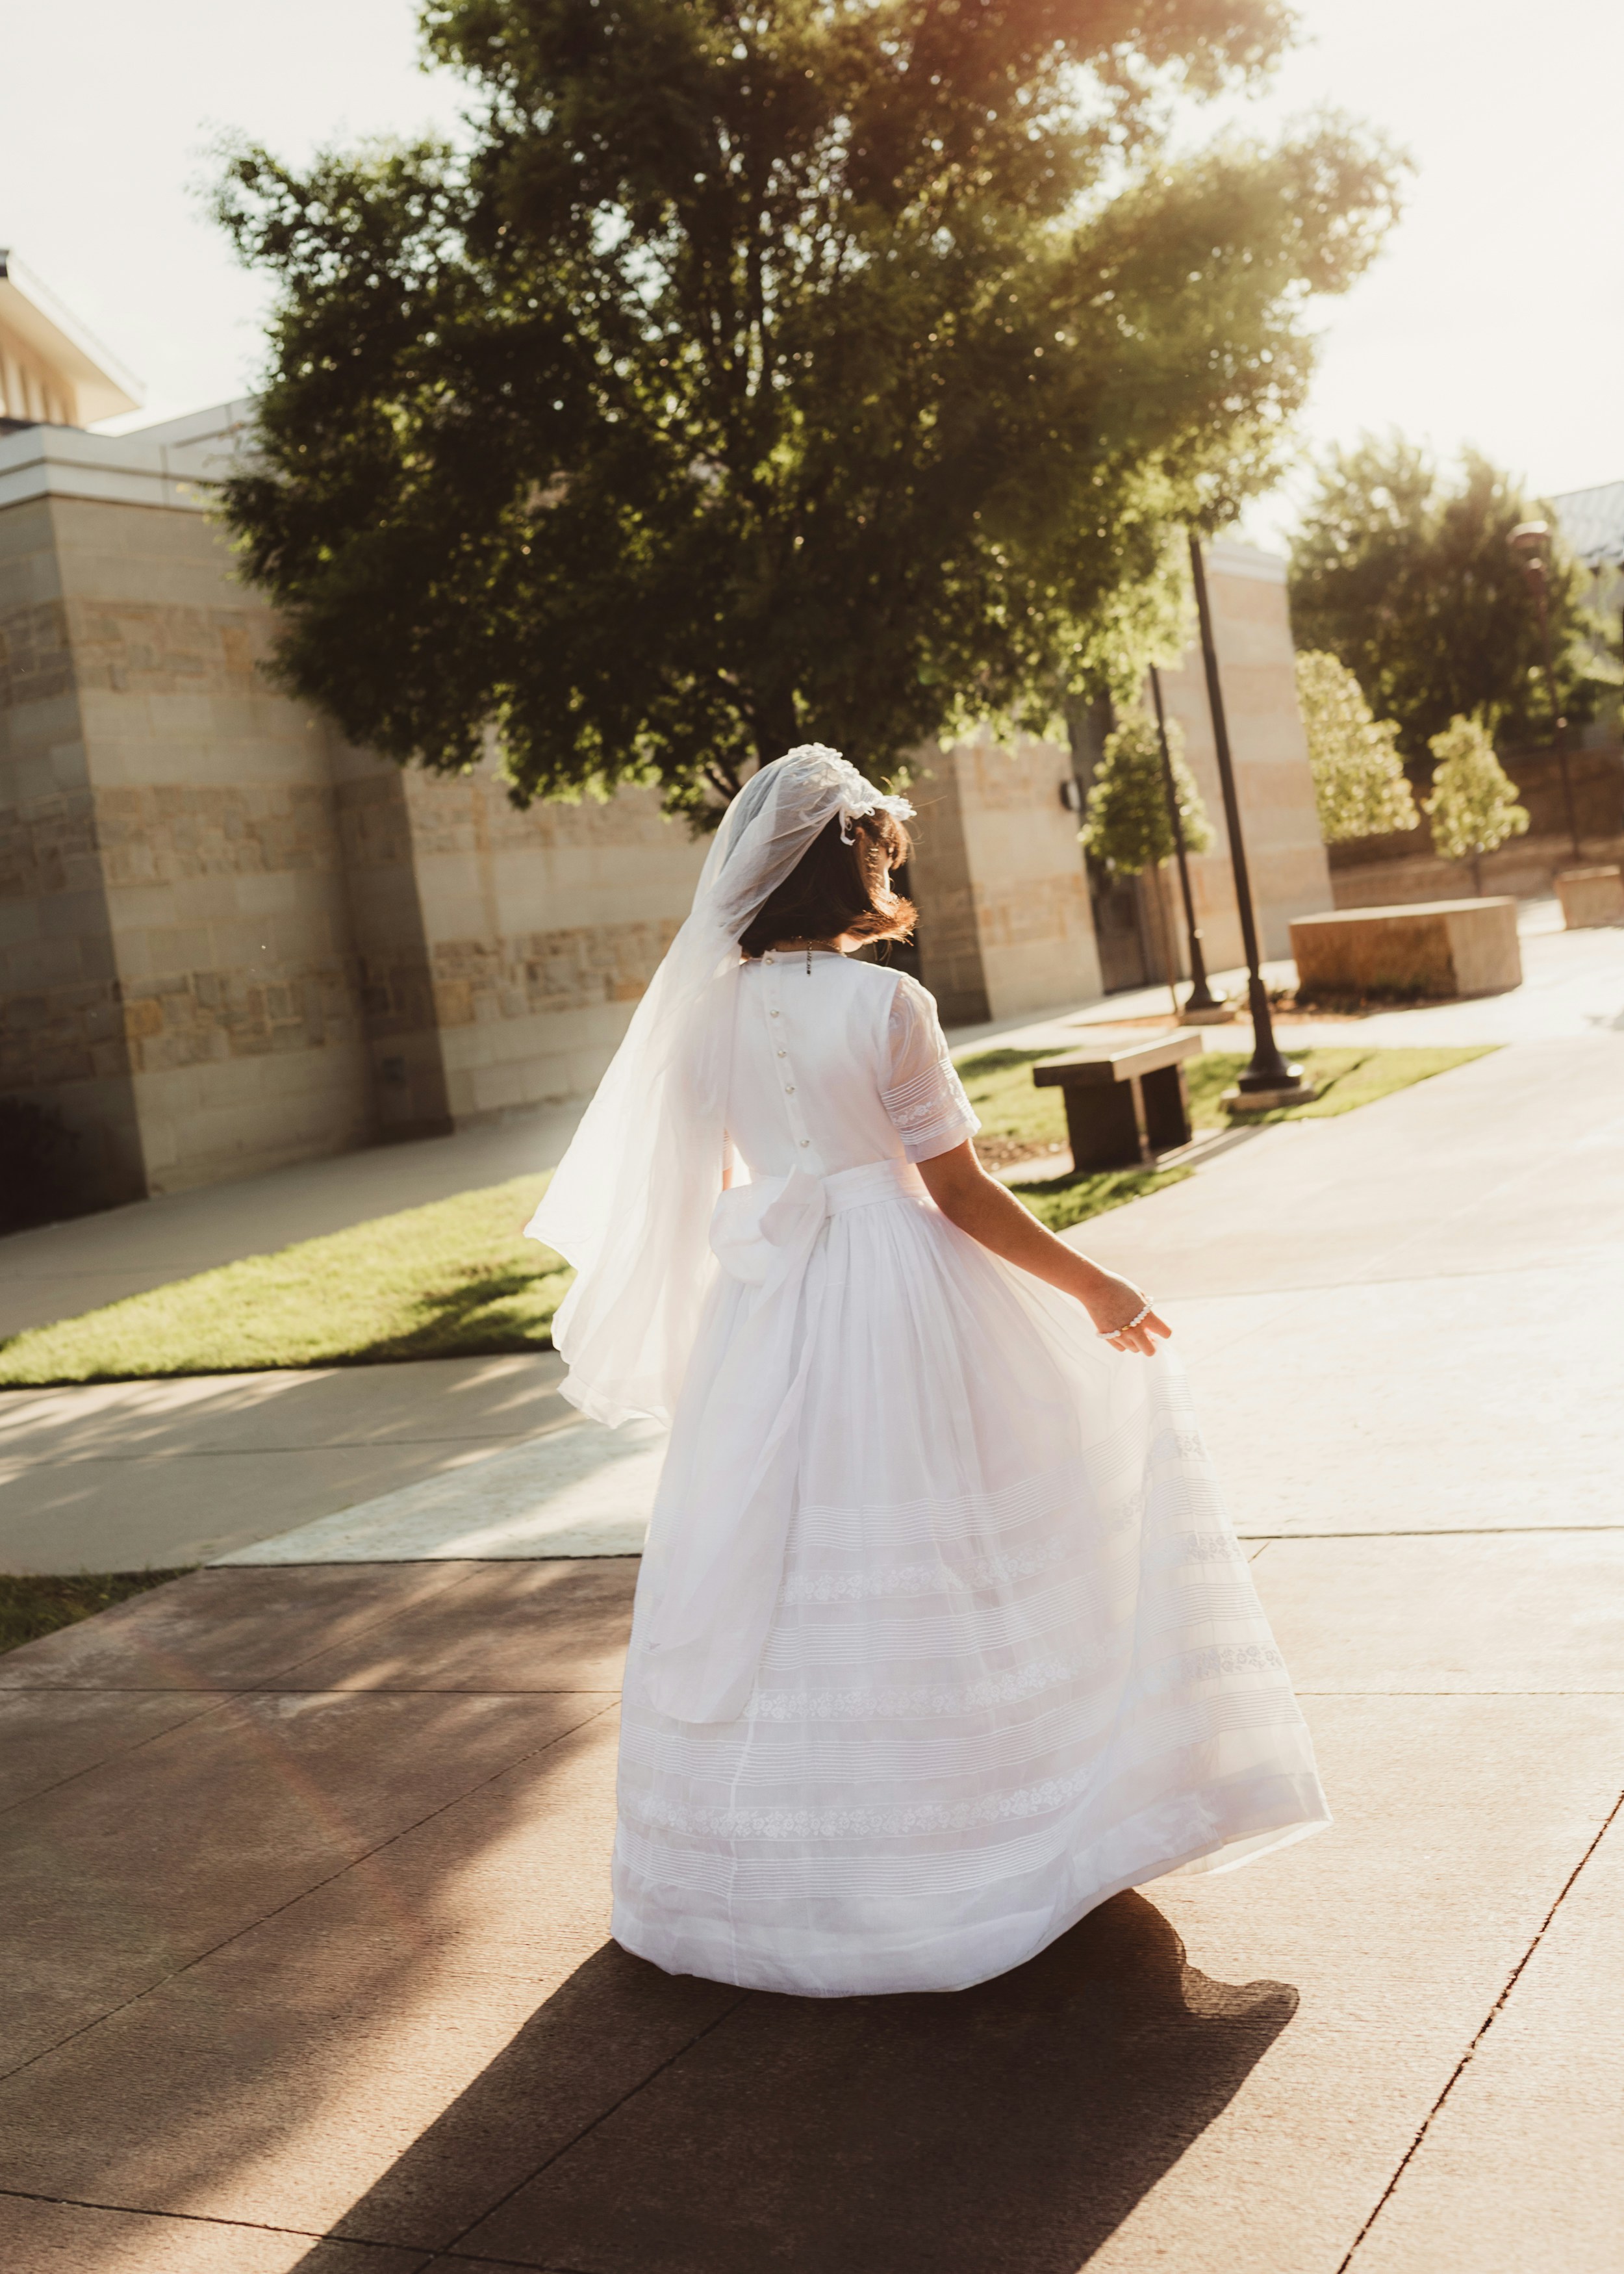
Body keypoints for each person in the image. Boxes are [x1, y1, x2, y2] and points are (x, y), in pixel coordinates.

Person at [530, 746, 1328, 1998]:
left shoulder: (705, 1011)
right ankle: (984, 1834)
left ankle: (774, 1870)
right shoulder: (888, 1006)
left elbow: (706, 1188)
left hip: (770, 1304)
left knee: (778, 1562)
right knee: (955, 1541)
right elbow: (958, 1193)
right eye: (879, 844)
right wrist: (1095, 1287)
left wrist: (738, 1306)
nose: (889, 861)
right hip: (897, 1290)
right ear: (844, 861)